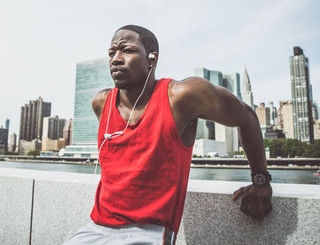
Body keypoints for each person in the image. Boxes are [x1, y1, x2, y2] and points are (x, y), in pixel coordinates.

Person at [63, 25, 272, 245]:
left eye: (127, 50)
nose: (116, 59)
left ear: (151, 58)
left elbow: (247, 116)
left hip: (146, 233)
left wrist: (260, 181)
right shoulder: (101, 102)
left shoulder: (181, 96)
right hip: (94, 228)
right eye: (111, 52)